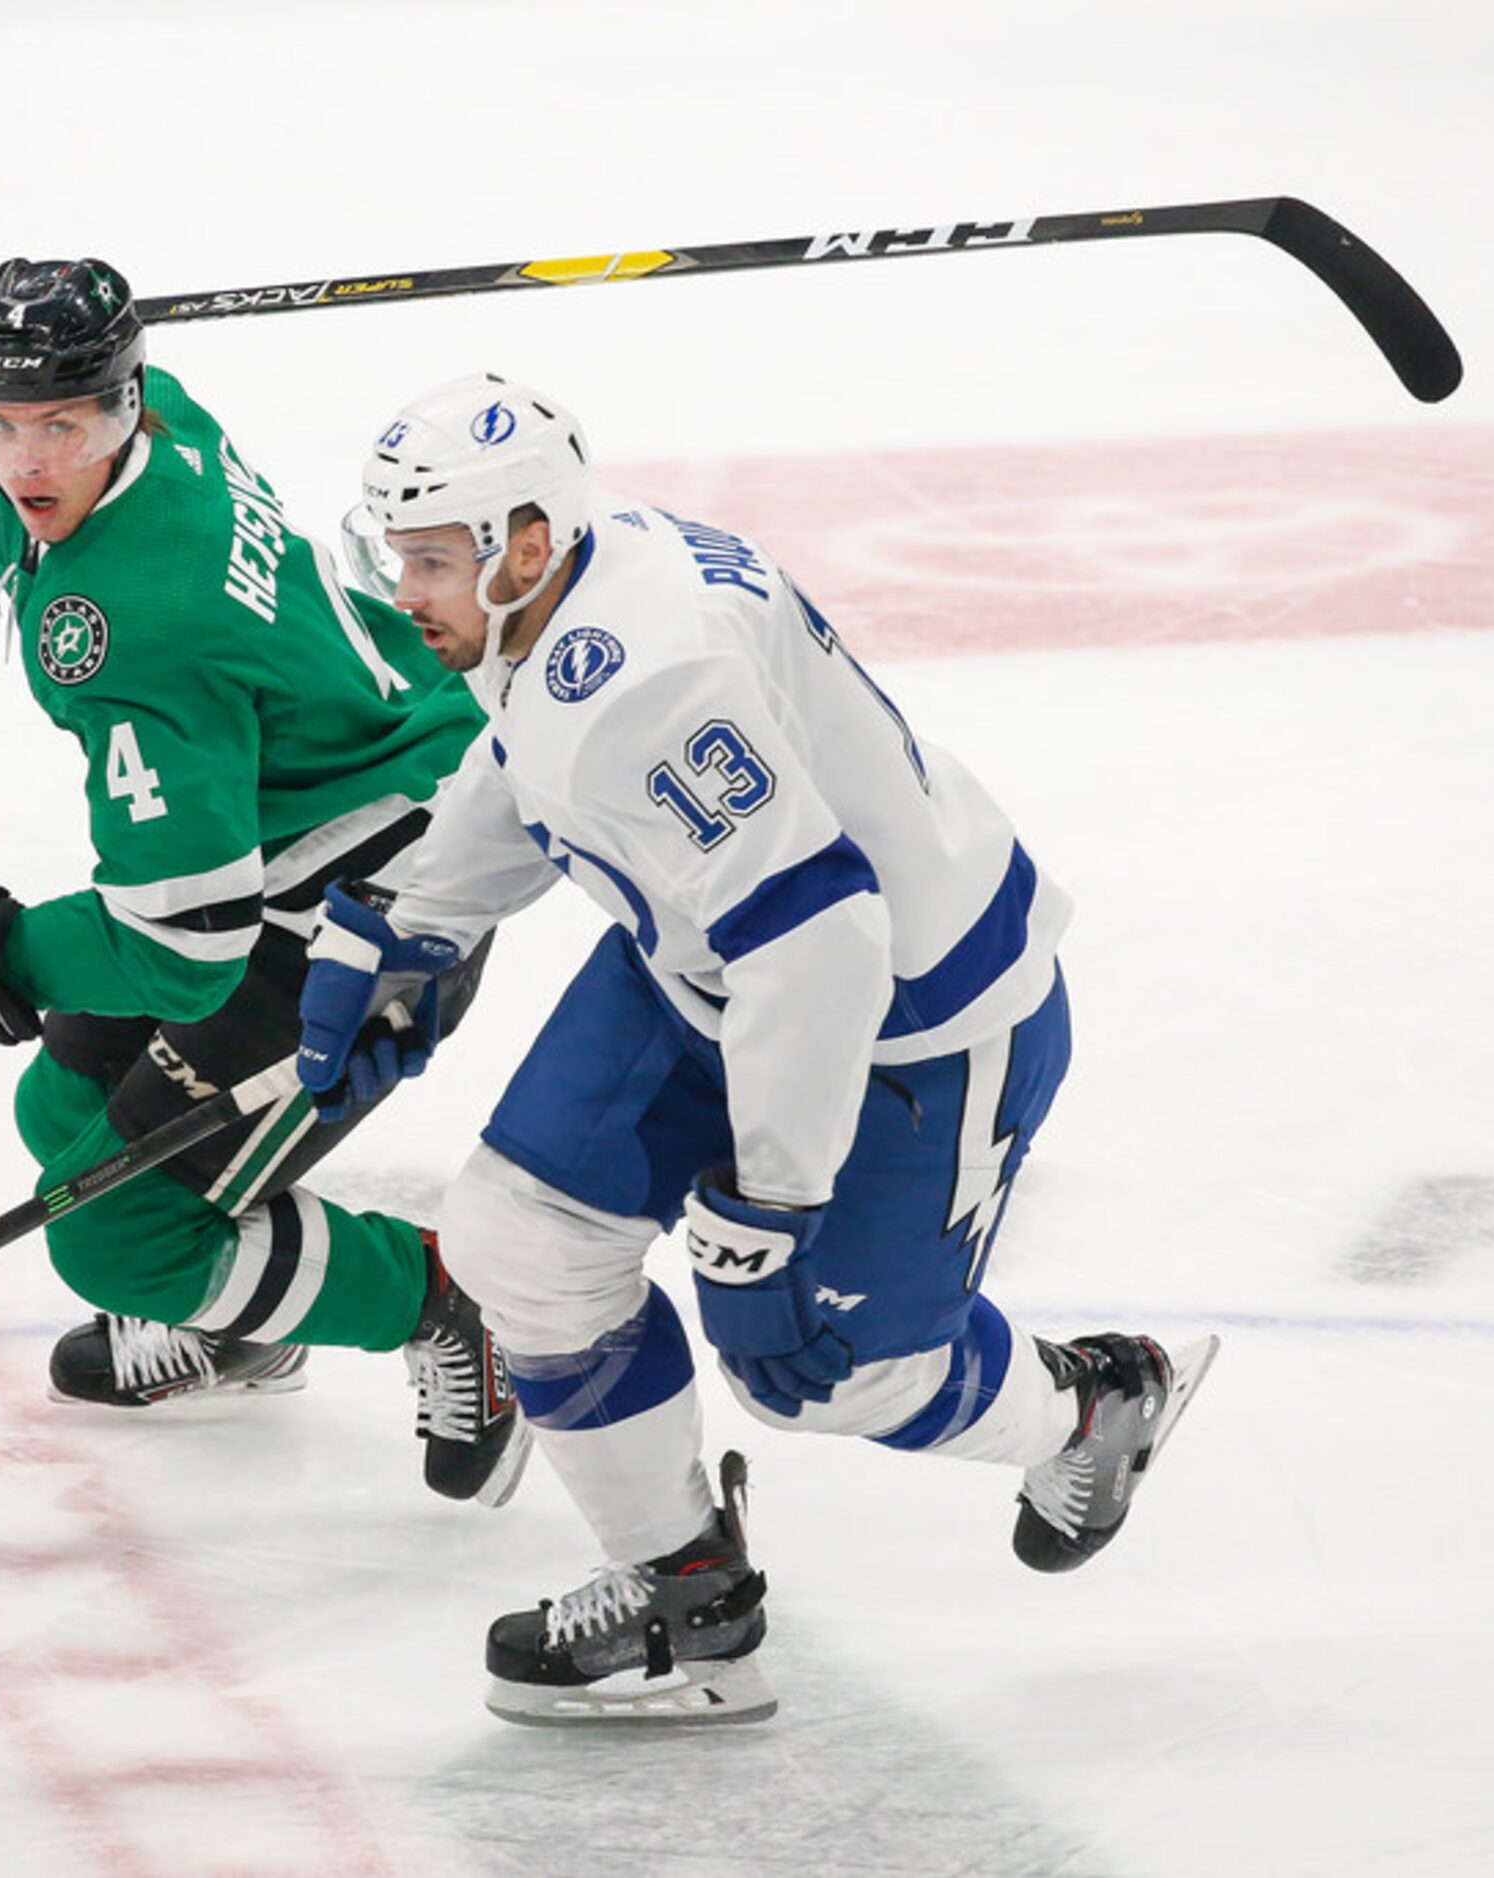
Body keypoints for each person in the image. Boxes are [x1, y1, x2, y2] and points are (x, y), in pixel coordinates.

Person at [295, 372, 1218, 1722]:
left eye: (432, 560)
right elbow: (533, 748)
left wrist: (766, 1210)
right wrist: (416, 925)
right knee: (521, 1241)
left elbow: (826, 939)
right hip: (713, 965)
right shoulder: (573, 579)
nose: (408, 587)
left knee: (832, 1378)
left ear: (527, 543)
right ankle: (683, 1587)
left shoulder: (657, 674)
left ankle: (1086, 1409)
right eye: (401, 556)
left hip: (916, 1029)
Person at [0, 259, 529, 1505]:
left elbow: (186, 946)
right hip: (315, 818)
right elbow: (31, 510)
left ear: (122, 402)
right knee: (66, 1113)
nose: (29, 465)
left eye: (65, 425)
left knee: (117, 1232)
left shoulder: (141, 627)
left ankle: (452, 1306)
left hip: (368, 921)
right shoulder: (167, 423)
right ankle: (247, 1322)